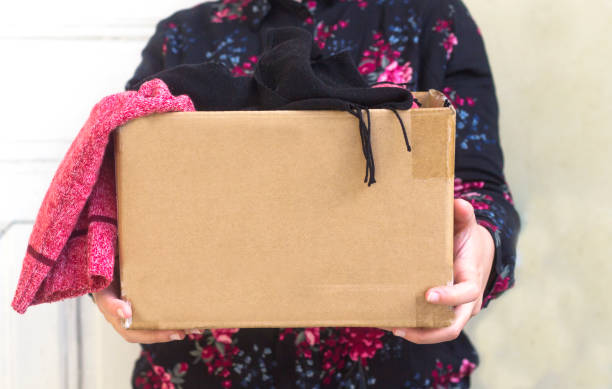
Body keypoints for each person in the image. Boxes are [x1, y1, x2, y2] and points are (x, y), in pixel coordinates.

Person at [92, 0, 520, 387]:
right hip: (203, 371)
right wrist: (103, 271)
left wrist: (481, 243)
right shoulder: (182, 36)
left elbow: (480, 186)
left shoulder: (434, 21)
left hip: (394, 372)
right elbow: (125, 187)